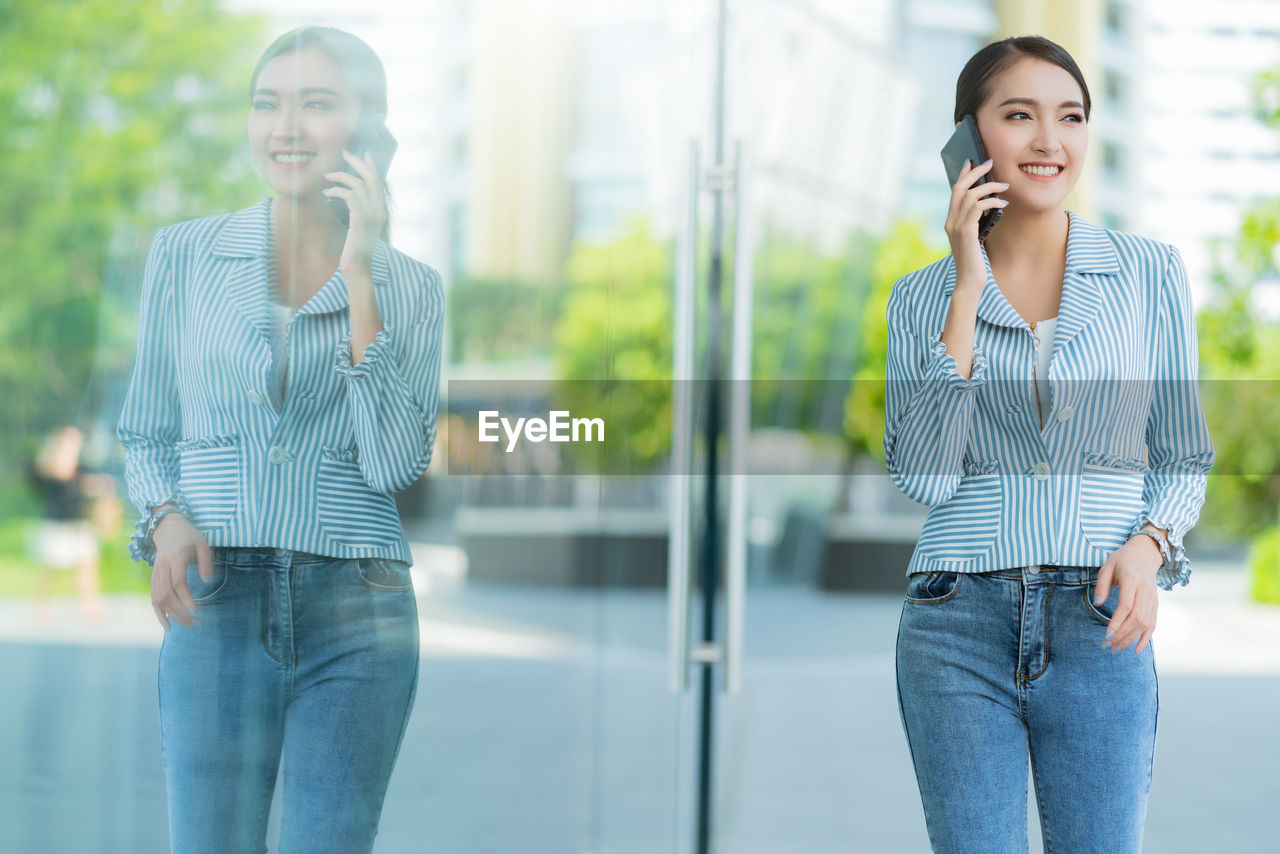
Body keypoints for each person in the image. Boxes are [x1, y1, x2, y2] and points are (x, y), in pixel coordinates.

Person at [116, 26, 444, 854]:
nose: (285, 127)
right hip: (217, 597)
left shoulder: (412, 287)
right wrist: (164, 517)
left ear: (369, 132)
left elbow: (396, 461)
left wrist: (361, 272)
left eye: (317, 104)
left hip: (359, 610)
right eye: (268, 103)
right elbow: (146, 428)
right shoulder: (185, 255)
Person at [883, 36, 1214, 853]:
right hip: (954, 621)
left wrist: (1150, 544)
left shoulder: (1149, 275)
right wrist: (966, 281)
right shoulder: (921, 296)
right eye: (1018, 116)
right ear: (969, 137)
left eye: (1069, 117)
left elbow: (1183, 453)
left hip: (1100, 617)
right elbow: (924, 474)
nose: (1048, 141)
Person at [28, 424, 107, 623]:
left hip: (80, 521)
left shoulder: (82, 466)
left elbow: (87, 486)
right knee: (48, 569)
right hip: (57, 523)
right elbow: (53, 477)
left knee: (87, 566)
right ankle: (41, 606)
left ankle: (90, 607)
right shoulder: (49, 463)